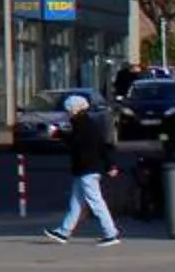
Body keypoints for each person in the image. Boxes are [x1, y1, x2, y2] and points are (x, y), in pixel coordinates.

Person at [44, 93, 123, 245]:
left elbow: (75, 143)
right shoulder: (88, 123)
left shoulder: (81, 124)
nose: (67, 112)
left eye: (68, 109)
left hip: (87, 169)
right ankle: (63, 232)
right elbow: (102, 146)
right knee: (76, 202)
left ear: (74, 109)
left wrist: (57, 133)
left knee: (95, 202)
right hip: (86, 169)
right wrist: (110, 164)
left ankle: (111, 233)